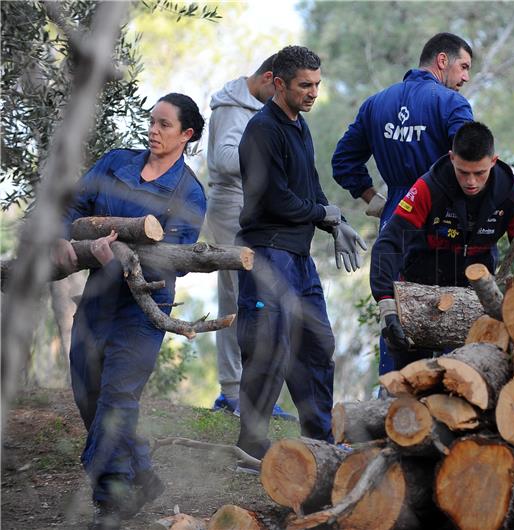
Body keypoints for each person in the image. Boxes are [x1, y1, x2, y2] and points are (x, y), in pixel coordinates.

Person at [52, 93, 207, 529]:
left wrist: (120, 259)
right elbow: (75, 206)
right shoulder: (116, 162)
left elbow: (176, 259)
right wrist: (66, 238)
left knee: (118, 397)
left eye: (165, 125)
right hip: (98, 296)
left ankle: (111, 499)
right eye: (151, 121)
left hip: (143, 304)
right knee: (87, 390)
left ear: (186, 135)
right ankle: (142, 474)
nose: (153, 130)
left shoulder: (190, 193)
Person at [235, 45, 366, 466]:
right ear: (278, 83)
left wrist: (334, 221)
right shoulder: (262, 130)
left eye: (316, 85)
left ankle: (320, 441)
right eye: (304, 85)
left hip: (299, 256)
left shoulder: (299, 125)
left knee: (316, 344)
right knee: (268, 349)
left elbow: (309, 189)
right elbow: (275, 199)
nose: (312, 93)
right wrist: (320, 213)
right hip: (268, 254)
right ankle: (248, 448)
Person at [331, 31, 474, 374]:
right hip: (441, 224)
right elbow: (470, 160)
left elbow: (343, 162)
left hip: (395, 218)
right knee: (446, 318)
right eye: (464, 66)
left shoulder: (377, 103)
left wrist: (375, 199)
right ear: (443, 60)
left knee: (396, 315)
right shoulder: (452, 104)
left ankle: (391, 406)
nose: (466, 77)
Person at [370, 122, 514, 370]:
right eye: (463, 172)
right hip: (420, 290)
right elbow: (390, 242)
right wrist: (385, 302)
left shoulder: (511, 192)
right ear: (451, 158)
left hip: (475, 298)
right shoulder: (429, 186)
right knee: (406, 381)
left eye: (480, 173)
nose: (471, 181)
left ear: (494, 161)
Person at [205, 54, 296, 422]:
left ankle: (255, 392)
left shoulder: (255, 108)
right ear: (270, 78)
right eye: (278, 87)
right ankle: (231, 392)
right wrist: (267, 155)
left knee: (257, 301)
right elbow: (224, 158)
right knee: (236, 298)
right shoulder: (232, 106)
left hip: (256, 210)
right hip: (230, 208)